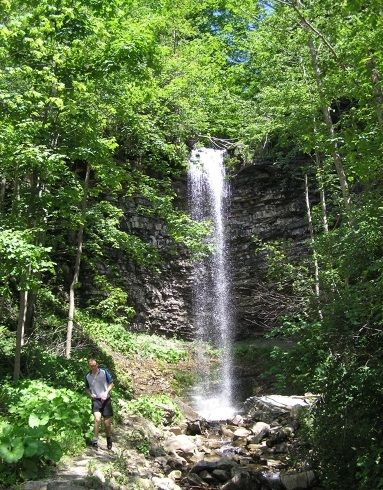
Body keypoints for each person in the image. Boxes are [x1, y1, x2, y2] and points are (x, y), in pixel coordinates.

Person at [85, 358, 114, 450]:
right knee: (97, 419)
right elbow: (86, 388)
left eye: (94, 365)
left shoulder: (104, 372)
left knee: (107, 423)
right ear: (89, 366)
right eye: (91, 366)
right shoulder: (87, 376)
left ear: (97, 365)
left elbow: (111, 384)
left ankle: (109, 439)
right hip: (96, 400)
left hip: (106, 400)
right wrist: (90, 394)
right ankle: (95, 440)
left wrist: (106, 392)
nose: (93, 367)